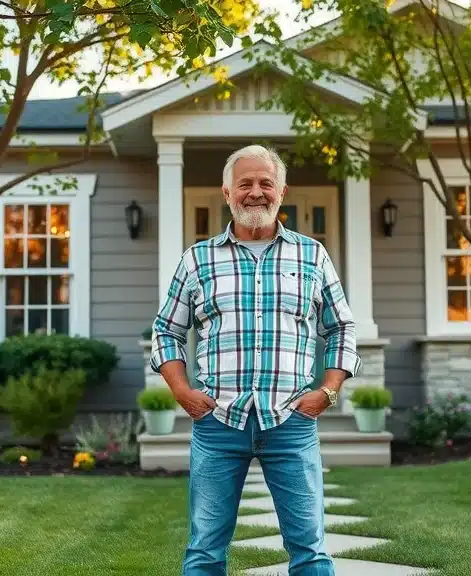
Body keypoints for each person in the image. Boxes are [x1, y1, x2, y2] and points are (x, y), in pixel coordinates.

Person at [150, 144, 361, 576]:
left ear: (282, 191)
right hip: (218, 424)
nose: (256, 192)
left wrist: (327, 391)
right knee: (205, 549)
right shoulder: (197, 260)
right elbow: (166, 331)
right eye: (245, 183)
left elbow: (341, 327)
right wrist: (181, 390)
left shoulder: (312, 255)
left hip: (290, 422)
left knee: (310, 548)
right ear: (227, 192)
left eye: (266, 183)